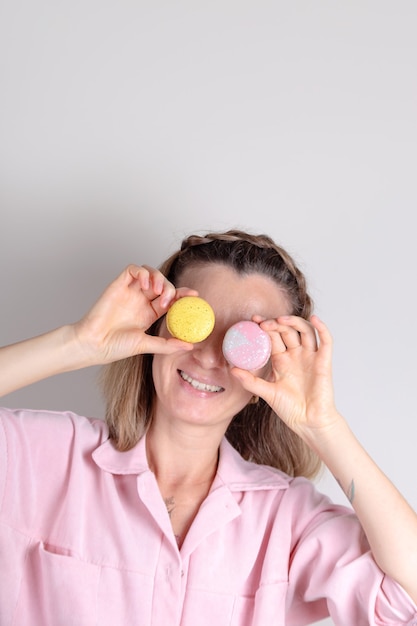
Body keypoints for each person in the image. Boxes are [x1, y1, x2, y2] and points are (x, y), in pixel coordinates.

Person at [0, 229, 416, 626]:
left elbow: (406, 598)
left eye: (243, 344)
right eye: (196, 322)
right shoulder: (46, 459)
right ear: (155, 330)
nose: (210, 357)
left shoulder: (285, 519)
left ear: (268, 379)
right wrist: (78, 342)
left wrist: (322, 424)